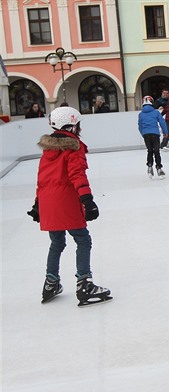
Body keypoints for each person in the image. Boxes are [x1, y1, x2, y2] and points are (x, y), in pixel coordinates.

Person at [26, 106, 112, 307]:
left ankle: (51, 283)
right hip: (66, 201)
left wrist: (38, 204)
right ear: (72, 125)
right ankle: (85, 284)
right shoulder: (73, 146)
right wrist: (87, 200)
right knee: (82, 239)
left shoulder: (48, 150)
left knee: (57, 242)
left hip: (48, 203)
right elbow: (77, 175)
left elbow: (42, 179)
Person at [138, 95, 168, 179]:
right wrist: (165, 132)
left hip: (146, 135)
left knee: (150, 151)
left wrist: (143, 133)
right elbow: (162, 122)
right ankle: (159, 168)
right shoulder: (156, 112)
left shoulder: (141, 114)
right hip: (155, 134)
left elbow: (140, 126)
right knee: (157, 151)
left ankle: (150, 166)